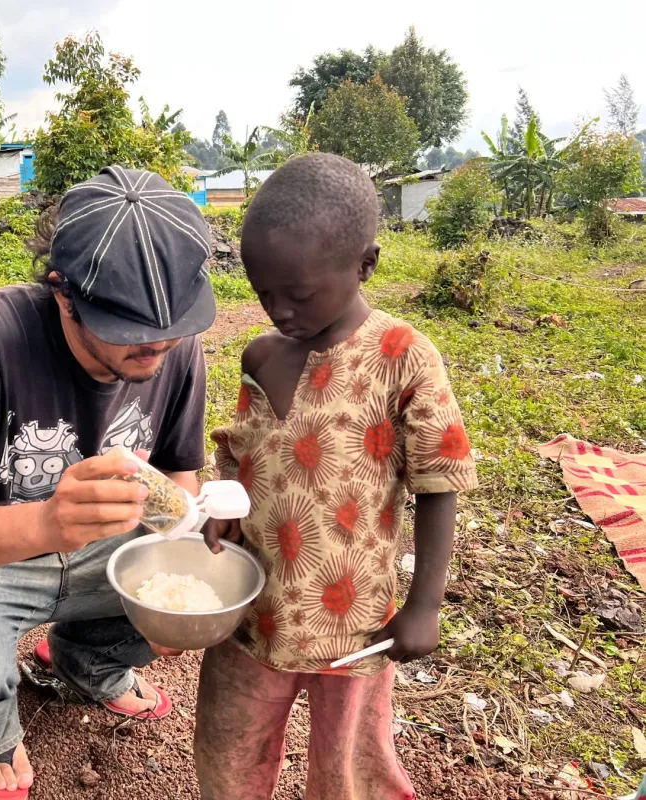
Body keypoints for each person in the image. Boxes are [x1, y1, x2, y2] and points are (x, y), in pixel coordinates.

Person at [0, 166, 214, 799]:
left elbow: (178, 476)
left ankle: (88, 659)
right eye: (130, 329)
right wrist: (44, 523)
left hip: (103, 552)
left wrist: (177, 584)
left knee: (217, 574)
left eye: (174, 325)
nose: (158, 345)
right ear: (64, 294)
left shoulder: (175, 350)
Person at [195, 153, 479, 800]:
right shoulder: (260, 356)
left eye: (297, 295)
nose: (278, 310)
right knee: (228, 754)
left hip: (354, 627)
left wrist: (424, 606)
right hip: (254, 614)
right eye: (262, 291)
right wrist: (224, 509)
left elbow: (439, 481)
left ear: (365, 265)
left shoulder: (402, 356)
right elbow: (243, 453)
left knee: (347, 769)